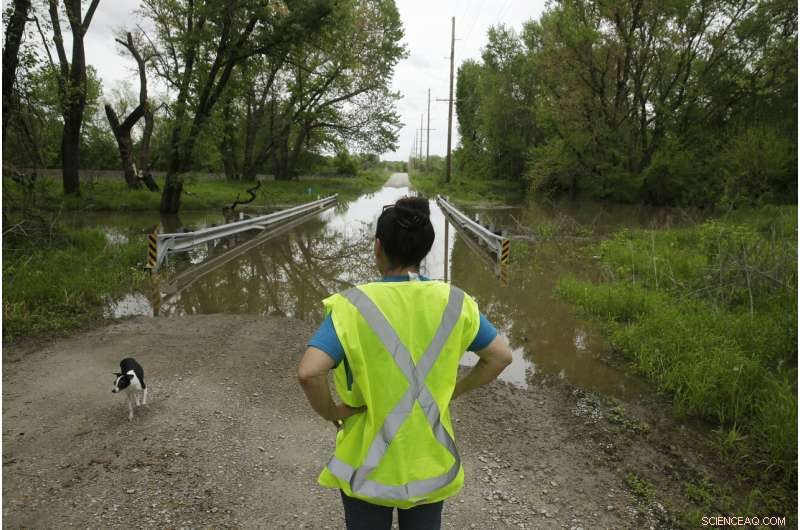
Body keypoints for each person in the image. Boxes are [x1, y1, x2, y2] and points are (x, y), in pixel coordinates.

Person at [298, 196, 512, 530]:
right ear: (424, 250)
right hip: (429, 463)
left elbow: (310, 372)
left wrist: (331, 412)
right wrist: (454, 391)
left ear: (378, 247)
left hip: (365, 468)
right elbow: (500, 357)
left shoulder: (351, 305)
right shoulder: (456, 302)